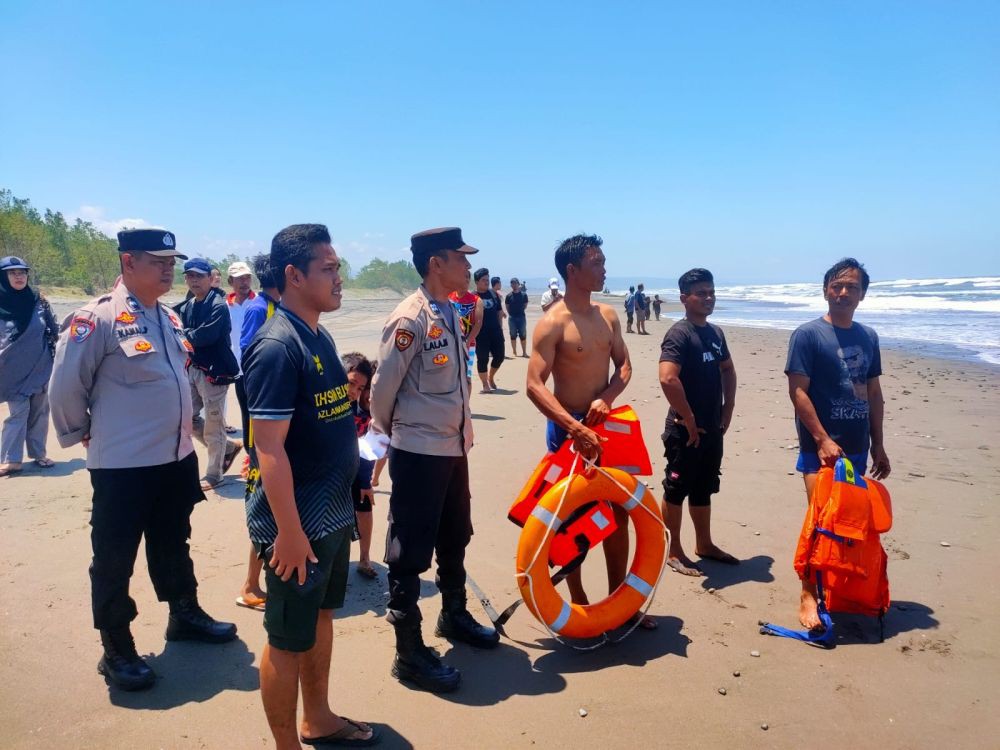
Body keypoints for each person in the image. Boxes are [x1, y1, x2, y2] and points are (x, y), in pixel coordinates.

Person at [49, 228, 237, 692]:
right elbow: (65, 387)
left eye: (172, 261)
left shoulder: (168, 318)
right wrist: (86, 434)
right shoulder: (99, 319)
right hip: (123, 466)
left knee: (174, 540)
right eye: (159, 261)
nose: (169, 269)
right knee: (114, 556)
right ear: (128, 262)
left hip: (174, 458)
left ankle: (184, 615)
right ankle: (116, 647)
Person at [243, 224, 378, 747]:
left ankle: (317, 717)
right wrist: (290, 532)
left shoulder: (318, 333)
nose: (339, 278)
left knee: (321, 617)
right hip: (295, 523)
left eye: (338, 267)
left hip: (330, 513)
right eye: (328, 269)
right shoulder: (277, 346)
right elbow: (269, 449)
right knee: (284, 638)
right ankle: (286, 745)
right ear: (294, 276)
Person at [371, 226, 499, 694]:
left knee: (455, 533)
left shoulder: (449, 308)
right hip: (419, 451)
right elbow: (382, 391)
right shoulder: (410, 319)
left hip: (452, 447)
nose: (468, 266)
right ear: (435, 264)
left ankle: (454, 615)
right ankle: (409, 653)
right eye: (460, 259)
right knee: (409, 550)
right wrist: (395, 436)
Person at [526, 234, 655, 630]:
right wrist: (574, 426)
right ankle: (579, 602)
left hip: (606, 426)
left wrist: (609, 396)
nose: (604, 269)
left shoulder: (608, 316)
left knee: (619, 512)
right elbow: (534, 384)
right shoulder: (553, 324)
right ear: (572, 271)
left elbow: (625, 367)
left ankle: (622, 601)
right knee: (573, 517)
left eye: (603, 262)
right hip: (568, 430)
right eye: (596, 263)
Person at [785, 257, 891, 630]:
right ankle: (808, 596)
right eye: (838, 285)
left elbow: (873, 392)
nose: (844, 292)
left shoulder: (868, 337)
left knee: (848, 526)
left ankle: (838, 589)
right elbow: (798, 391)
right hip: (821, 451)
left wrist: (879, 444)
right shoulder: (808, 335)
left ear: (863, 294)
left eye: (852, 287)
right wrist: (822, 439)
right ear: (826, 289)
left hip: (858, 448)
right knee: (820, 523)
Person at [658, 269, 738, 576]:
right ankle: (673, 549)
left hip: (712, 428)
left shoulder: (715, 333)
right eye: (701, 293)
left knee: (704, 487)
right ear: (684, 298)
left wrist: (727, 407)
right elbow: (667, 377)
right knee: (677, 487)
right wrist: (688, 417)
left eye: (711, 292)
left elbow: (728, 370)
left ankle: (704, 544)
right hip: (684, 431)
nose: (708, 298)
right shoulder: (680, 334)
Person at [235, 253, 281, 612]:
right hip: (262, 415)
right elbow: (251, 354)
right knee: (264, 505)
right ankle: (250, 585)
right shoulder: (258, 310)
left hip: (270, 416)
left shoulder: (275, 307)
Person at [174, 258, 243, 491]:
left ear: (209, 278)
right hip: (192, 368)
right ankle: (229, 448)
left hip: (214, 372)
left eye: (198, 276)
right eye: (189, 276)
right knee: (187, 418)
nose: (194, 281)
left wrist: (183, 336)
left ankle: (215, 474)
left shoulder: (218, 305)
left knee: (214, 424)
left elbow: (206, 336)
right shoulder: (188, 304)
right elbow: (172, 323)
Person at [1, 256, 59, 477]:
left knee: (39, 412)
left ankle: (38, 453)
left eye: (22, 272)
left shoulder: (39, 301)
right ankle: (10, 459)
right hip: (10, 370)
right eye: (13, 273)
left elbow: (54, 330)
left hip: (40, 367)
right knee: (18, 412)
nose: (19, 276)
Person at [342, 351, 378, 580]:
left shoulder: (376, 412)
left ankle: (364, 558)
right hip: (335, 467)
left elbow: (371, 450)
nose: (363, 395)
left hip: (358, 465)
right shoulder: (345, 403)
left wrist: (366, 481)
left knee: (364, 507)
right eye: (361, 389)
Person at [226, 261, 256, 436]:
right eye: (239, 279)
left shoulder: (259, 303)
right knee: (245, 411)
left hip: (257, 367)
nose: (244, 282)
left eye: (247, 278)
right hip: (237, 368)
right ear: (231, 281)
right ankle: (249, 450)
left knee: (260, 411)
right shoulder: (224, 306)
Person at [474, 267, 505, 392]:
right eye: (483, 280)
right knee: (482, 359)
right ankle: (484, 384)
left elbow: (499, 311)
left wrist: (500, 327)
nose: (486, 282)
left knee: (499, 356)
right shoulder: (473, 296)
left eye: (487, 280)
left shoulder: (493, 294)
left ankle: (491, 377)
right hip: (480, 334)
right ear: (476, 282)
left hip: (496, 331)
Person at [448, 283, 483, 386]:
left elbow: (478, 323)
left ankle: (466, 402)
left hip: (469, 344)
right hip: (450, 343)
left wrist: (467, 342)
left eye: (467, 279)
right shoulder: (449, 297)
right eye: (463, 279)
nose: (465, 282)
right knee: (450, 375)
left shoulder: (476, 300)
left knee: (466, 377)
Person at [505, 277, 529, 357]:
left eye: (515, 283)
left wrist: (520, 311)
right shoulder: (508, 296)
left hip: (521, 317)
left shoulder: (524, 295)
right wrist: (511, 314)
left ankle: (524, 352)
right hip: (512, 318)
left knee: (523, 335)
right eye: (512, 283)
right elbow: (507, 307)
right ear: (511, 285)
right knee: (513, 335)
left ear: (518, 284)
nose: (514, 285)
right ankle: (514, 352)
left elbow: (525, 305)